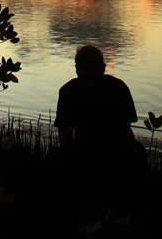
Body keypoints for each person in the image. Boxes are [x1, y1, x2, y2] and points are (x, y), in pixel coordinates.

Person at [55, 45, 146, 228]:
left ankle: (95, 215)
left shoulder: (68, 91)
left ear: (77, 68)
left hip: (90, 153)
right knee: (136, 152)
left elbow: (64, 136)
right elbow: (126, 126)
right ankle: (119, 214)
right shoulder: (118, 87)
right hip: (118, 152)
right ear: (103, 67)